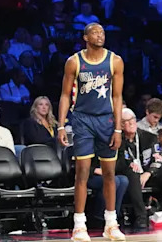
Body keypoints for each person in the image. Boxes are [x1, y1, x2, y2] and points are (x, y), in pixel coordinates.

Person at [57, 23, 125, 242]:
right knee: (82, 173)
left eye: (102, 32)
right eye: (95, 32)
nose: (100, 35)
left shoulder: (115, 60)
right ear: (85, 37)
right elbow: (65, 95)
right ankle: (79, 225)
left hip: (106, 120)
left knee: (109, 174)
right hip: (82, 119)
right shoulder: (74, 61)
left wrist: (118, 128)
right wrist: (61, 125)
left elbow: (117, 97)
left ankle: (111, 223)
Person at [116, 107, 162, 228]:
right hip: (130, 176)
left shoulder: (149, 137)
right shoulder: (118, 140)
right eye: (126, 122)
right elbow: (117, 163)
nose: (130, 123)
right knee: (132, 173)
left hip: (148, 174)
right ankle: (141, 216)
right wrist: (128, 165)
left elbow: (158, 159)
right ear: (120, 125)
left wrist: (149, 172)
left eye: (132, 120)